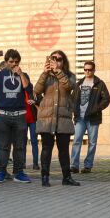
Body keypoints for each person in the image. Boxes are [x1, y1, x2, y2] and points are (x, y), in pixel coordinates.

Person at [0, 49, 33, 184]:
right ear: (6, 62)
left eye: (16, 62)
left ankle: (19, 173)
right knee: (3, 146)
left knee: (20, 146)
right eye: (11, 62)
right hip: (3, 115)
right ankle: (1, 172)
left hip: (20, 115)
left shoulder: (23, 75)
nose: (14, 64)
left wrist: (20, 74)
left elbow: (28, 89)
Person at [34, 50, 79, 187]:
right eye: (53, 58)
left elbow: (69, 86)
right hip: (47, 118)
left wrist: (58, 72)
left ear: (63, 62)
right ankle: (44, 177)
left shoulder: (70, 76)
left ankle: (67, 178)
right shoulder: (46, 76)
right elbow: (36, 91)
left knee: (64, 150)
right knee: (46, 149)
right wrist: (44, 73)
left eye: (59, 59)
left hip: (63, 118)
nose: (56, 61)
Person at [70, 60, 110, 174]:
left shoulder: (99, 84)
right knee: (76, 141)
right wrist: (74, 110)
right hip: (80, 118)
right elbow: (72, 98)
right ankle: (74, 166)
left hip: (93, 118)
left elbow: (106, 99)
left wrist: (96, 109)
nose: (87, 71)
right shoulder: (79, 84)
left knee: (92, 143)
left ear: (94, 70)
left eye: (89, 70)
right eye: (85, 69)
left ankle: (88, 166)